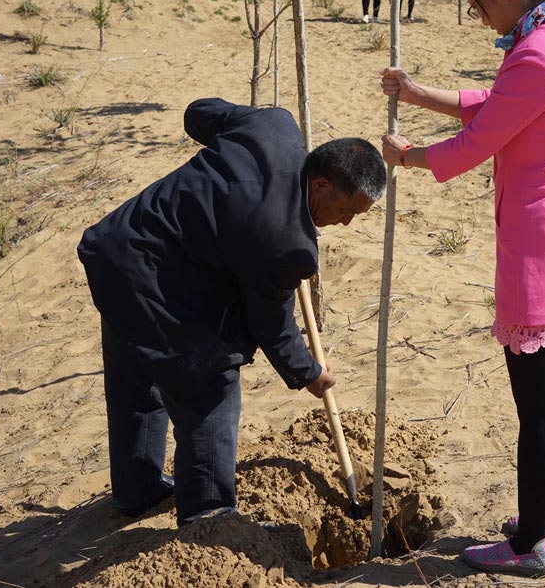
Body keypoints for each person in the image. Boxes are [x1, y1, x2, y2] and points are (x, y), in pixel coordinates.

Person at [379, 0, 545, 577]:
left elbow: (476, 142)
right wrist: (420, 94)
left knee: (538, 413)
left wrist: (409, 156)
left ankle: (528, 544)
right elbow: (505, 108)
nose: (479, 16)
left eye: (476, 4)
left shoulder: (536, 52)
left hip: (542, 255)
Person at [77, 98, 386, 526]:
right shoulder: (288, 243)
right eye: (346, 210)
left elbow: (198, 114)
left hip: (116, 253)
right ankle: (208, 517)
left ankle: (138, 491)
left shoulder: (273, 125)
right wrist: (309, 374)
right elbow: (271, 325)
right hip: (154, 284)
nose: (346, 223)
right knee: (212, 386)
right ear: (320, 185)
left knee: (136, 372)